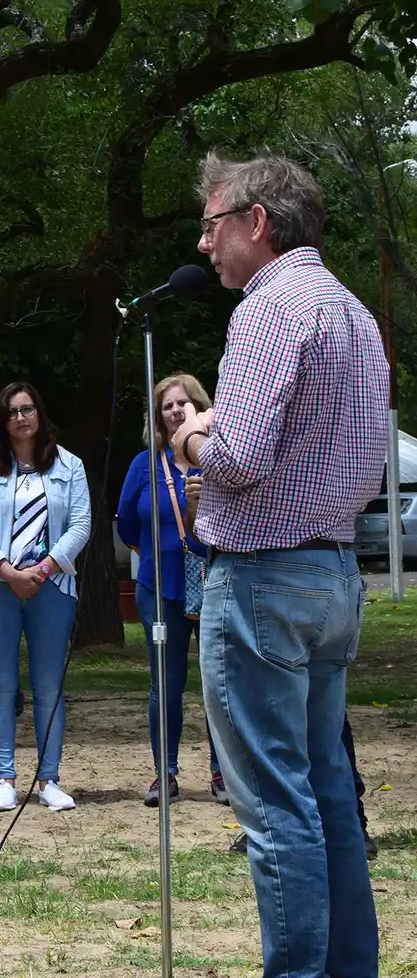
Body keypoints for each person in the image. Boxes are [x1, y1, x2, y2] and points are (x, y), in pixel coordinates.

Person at [170, 151, 387, 977]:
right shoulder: (352, 311)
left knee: (275, 805)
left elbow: (240, 456)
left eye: (213, 223)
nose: (204, 242)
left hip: (262, 578)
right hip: (334, 575)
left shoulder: (267, 310)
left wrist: (191, 436)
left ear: (256, 222)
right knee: (329, 791)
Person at [185, 475, 378, 860]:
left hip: (269, 572)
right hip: (336, 563)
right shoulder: (361, 410)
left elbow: (239, 462)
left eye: (183, 407)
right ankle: (347, 835)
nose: (176, 411)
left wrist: (193, 440)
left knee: (277, 764)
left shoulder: (237, 420)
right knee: (326, 757)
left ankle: (294, 848)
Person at [0, 382, 91, 813]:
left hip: (51, 587)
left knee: (48, 685)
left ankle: (49, 779)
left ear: (40, 414)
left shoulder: (68, 465)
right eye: (13, 411)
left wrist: (41, 570)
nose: (21, 418)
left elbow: (80, 525)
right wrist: (8, 572)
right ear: (3, 420)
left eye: (28, 409)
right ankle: (4, 778)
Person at [115, 374, 224, 807]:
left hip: (214, 583)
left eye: (184, 404)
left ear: (200, 408)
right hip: (160, 590)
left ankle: (223, 772)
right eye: (168, 406)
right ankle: (167, 773)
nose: (177, 411)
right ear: (157, 417)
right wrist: (163, 553)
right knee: (167, 683)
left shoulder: (216, 459)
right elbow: (126, 524)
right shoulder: (145, 464)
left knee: (219, 684)